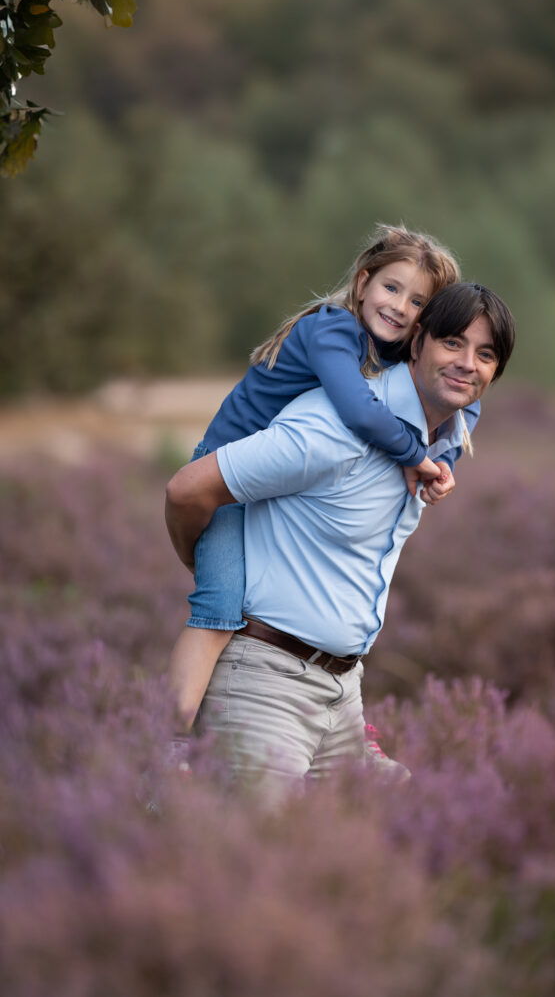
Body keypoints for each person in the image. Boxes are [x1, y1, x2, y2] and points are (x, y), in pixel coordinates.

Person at [165, 282, 515, 801]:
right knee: (259, 863)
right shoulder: (337, 427)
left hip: (342, 692)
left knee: (390, 823)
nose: (468, 363)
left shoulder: (437, 438)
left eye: (485, 354)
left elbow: (464, 415)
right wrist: (208, 570)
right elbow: (187, 489)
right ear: (416, 342)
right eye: (452, 343)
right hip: (263, 686)